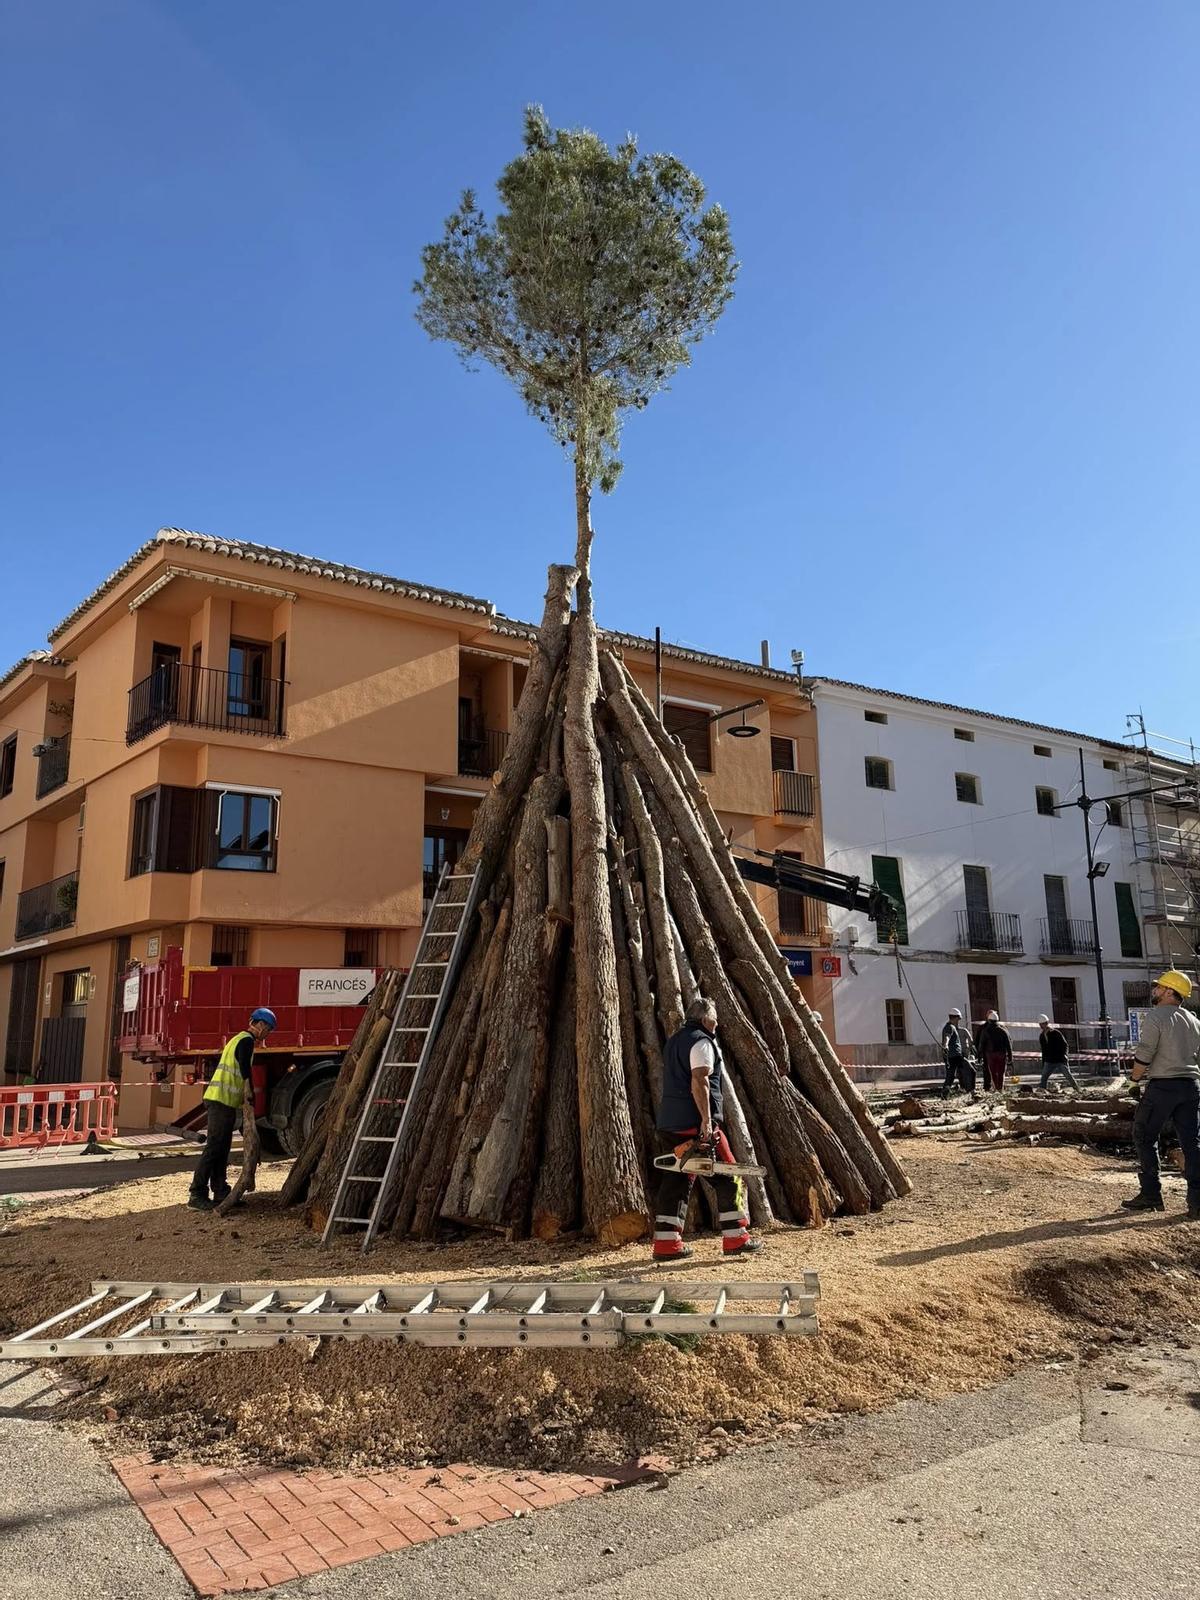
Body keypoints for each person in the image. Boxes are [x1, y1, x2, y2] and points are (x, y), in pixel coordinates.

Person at [652, 996, 762, 1261]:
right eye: (714, 1020)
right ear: (705, 1020)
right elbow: (699, 1080)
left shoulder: (675, 1041)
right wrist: (706, 1121)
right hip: (694, 1124)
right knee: (729, 1174)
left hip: (670, 1123)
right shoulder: (702, 1042)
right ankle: (735, 1237)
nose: (717, 1024)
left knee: (676, 1179)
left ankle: (666, 1244)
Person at [1121, 971, 1200, 1220]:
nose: (1154, 990)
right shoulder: (1193, 1019)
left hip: (1163, 1086)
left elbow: (1145, 1053)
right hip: (1191, 1086)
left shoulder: (1156, 1016)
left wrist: (1133, 1080)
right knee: (1192, 1143)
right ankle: (1197, 1203)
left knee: (1144, 1135)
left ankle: (1151, 1195)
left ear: (1168, 991)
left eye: (1159, 987)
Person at [188, 1007, 276, 1211]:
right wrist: (249, 1094)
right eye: (268, 1029)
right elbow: (245, 1069)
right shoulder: (246, 1041)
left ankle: (220, 1191)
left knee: (221, 1148)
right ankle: (196, 1194)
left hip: (222, 1101)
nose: (267, 1034)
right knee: (214, 1147)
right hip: (221, 1101)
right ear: (260, 1025)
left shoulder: (237, 1039)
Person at [976, 1009, 1014, 1092]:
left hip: (990, 1055)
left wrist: (979, 1056)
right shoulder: (1003, 1030)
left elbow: (981, 1044)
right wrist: (1010, 1056)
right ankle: (1000, 1088)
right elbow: (1009, 1043)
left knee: (993, 1073)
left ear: (989, 1020)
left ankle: (996, 1088)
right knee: (1001, 1072)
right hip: (1001, 1054)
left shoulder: (985, 1031)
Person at [1038, 1014, 1079, 1090]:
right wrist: (1043, 1063)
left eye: (1043, 1024)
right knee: (1044, 1077)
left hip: (1059, 1060)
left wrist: (1064, 1055)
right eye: (1040, 1024)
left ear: (1046, 1023)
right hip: (1049, 1061)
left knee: (1068, 1076)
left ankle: (1077, 1089)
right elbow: (1044, 1050)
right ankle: (1042, 1091)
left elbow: (1065, 1045)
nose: (1041, 1026)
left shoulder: (1056, 1033)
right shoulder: (1042, 1036)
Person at [940, 1008, 975, 1097]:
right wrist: (946, 1045)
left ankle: (944, 1095)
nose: (958, 1021)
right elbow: (947, 1037)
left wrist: (946, 1046)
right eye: (958, 1019)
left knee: (950, 1077)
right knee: (971, 1071)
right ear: (955, 1018)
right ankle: (971, 1092)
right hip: (955, 1056)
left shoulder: (949, 1027)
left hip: (951, 1056)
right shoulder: (950, 1027)